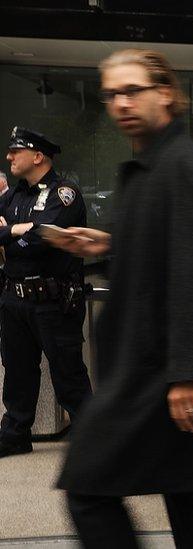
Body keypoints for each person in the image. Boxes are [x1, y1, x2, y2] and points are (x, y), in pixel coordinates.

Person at [46, 49, 193, 548]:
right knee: (191, 493)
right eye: (112, 94)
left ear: (166, 94)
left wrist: (188, 374)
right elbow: (170, 251)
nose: (121, 103)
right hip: (153, 368)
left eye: (132, 90)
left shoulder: (184, 167)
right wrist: (110, 245)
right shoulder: (150, 168)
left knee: (88, 483)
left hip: (160, 372)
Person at [0, 127, 91, 459]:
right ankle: (14, 434)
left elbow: (42, 239)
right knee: (17, 370)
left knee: (68, 373)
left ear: (37, 156)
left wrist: (8, 234)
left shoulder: (63, 194)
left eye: (15, 151)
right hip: (14, 299)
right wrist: (15, 230)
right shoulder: (14, 195)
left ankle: (90, 440)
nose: (9, 156)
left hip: (52, 301)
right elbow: (23, 236)